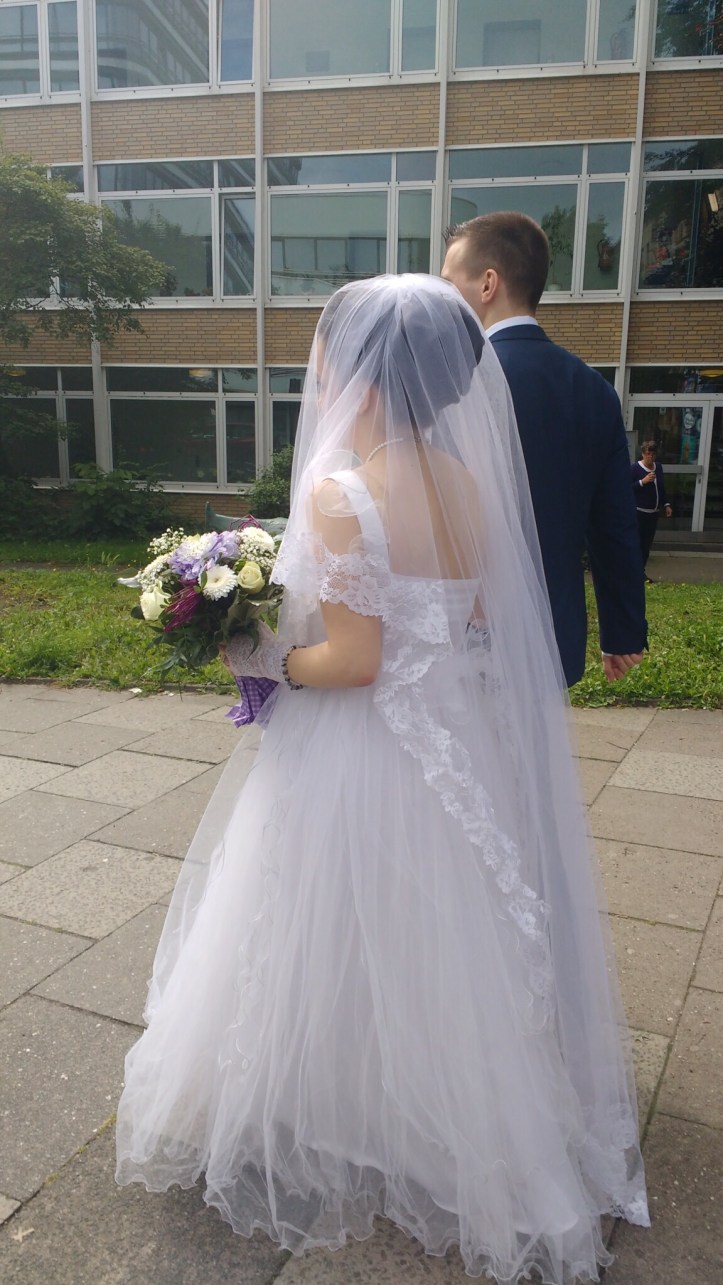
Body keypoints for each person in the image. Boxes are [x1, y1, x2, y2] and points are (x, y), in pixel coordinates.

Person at [116, 275, 648, 1283]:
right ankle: (443, 1105)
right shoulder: (468, 481)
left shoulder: (342, 492)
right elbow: (475, 618)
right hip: (453, 738)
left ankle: (335, 1099)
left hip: (362, 744)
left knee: (323, 913)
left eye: (326, 354)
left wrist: (263, 654)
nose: (319, 371)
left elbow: (354, 660)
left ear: (357, 371)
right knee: (441, 926)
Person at [442, 211, 647, 686]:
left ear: (488, 283)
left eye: (450, 284)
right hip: (555, 634)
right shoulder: (593, 389)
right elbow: (615, 524)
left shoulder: (458, 382)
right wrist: (621, 631)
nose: (443, 299)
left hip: (463, 636)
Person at [632, 439, 672, 582]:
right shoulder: (635, 469)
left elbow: (661, 488)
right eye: (648, 454)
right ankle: (633, 572)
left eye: (653, 454)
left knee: (646, 545)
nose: (650, 457)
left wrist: (666, 504)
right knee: (637, 543)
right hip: (639, 512)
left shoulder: (658, 467)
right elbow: (626, 488)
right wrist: (642, 482)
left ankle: (641, 571)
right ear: (643, 454)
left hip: (653, 513)